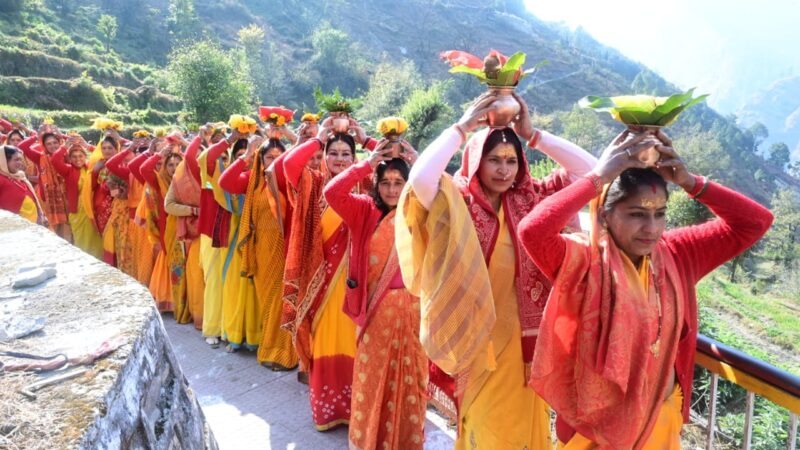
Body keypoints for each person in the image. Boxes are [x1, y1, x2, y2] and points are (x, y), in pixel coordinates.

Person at [517, 130, 773, 449]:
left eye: (660, 214)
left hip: (659, 420)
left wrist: (690, 182)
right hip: (593, 430)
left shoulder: (678, 253)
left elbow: (756, 222)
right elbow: (532, 231)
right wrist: (598, 178)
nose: (651, 228)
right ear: (605, 216)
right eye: (637, 214)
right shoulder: (582, 260)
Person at [396, 92, 597, 449]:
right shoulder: (455, 201)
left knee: (523, 430)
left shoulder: (531, 200)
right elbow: (420, 180)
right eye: (494, 160)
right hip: (475, 341)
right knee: (486, 428)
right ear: (476, 161)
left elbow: (590, 173)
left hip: (526, 345)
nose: (504, 170)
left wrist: (534, 135)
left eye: (511, 161)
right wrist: (462, 128)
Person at [324, 140, 428, 449]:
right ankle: (369, 441)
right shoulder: (364, 210)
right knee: (372, 379)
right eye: (385, 182)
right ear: (375, 184)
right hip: (375, 310)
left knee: (412, 377)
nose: (392, 190)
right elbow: (332, 193)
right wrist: (366, 164)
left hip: (413, 308)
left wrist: (420, 162)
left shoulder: (419, 210)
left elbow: (454, 198)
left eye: (399, 182)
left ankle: (407, 441)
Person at [282, 117, 377, 430]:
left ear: (355, 157)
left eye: (346, 154)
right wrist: (318, 138)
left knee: (356, 342)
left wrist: (367, 141)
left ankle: (357, 409)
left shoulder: (367, 186)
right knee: (325, 340)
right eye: (333, 153)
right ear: (324, 155)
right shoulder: (313, 184)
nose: (339, 159)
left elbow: (398, 164)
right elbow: (289, 165)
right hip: (321, 281)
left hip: (358, 281)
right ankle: (328, 410)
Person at [219, 137, 298, 369]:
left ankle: (283, 353)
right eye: (269, 157)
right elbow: (226, 183)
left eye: (279, 157)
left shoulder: (290, 181)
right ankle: (270, 348)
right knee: (268, 302)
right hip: (262, 250)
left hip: (285, 249)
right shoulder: (254, 181)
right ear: (261, 161)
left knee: (282, 300)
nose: (273, 161)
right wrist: (246, 156)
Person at [164, 135, 205, 329]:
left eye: (201, 156)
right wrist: (194, 211)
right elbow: (168, 205)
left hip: (210, 232)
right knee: (190, 275)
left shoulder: (212, 175)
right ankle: (192, 314)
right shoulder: (180, 178)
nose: (197, 160)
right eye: (195, 157)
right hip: (186, 234)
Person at [139, 141, 183, 312]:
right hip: (167, 228)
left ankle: (183, 302)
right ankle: (170, 300)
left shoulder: (188, 181)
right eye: (170, 164)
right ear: (165, 166)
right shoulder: (159, 181)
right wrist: (159, 154)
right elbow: (144, 169)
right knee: (170, 261)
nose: (174, 168)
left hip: (186, 226)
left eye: (178, 164)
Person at [107, 137, 156, 284]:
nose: (143, 155)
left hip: (152, 218)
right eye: (139, 152)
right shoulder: (131, 172)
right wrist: (130, 149)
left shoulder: (158, 174)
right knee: (137, 256)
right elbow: (111, 165)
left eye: (144, 152)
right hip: (135, 219)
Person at [50, 137, 104, 258]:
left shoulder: (90, 168)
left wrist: (87, 146)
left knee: (95, 238)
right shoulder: (68, 170)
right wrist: (64, 147)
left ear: (85, 156)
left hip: (92, 209)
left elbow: (102, 155)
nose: (78, 159)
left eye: (81, 156)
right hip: (77, 211)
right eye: (74, 157)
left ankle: (99, 261)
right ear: (69, 159)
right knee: (81, 239)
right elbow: (54, 160)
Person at [18, 125, 73, 241]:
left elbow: (75, 141)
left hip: (68, 197)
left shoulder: (68, 155)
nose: (53, 146)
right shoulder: (39, 157)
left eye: (55, 142)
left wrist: (61, 135)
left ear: (60, 142)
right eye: (49, 144)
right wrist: (37, 136)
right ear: (44, 145)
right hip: (48, 200)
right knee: (54, 230)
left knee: (70, 227)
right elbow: (22, 146)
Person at [0, 145, 45, 224]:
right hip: (13, 225)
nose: (20, 163)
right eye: (16, 160)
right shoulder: (1, 178)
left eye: (20, 159)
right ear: (4, 161)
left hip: (32, 223)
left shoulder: (19, 176)